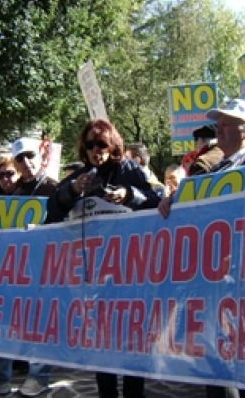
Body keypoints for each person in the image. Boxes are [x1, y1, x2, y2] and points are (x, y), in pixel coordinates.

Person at [157, 99, 245, 398]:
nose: (218, 130)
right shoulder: (210, 175)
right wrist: (173, 204)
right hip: (214, 292)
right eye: (218, 124)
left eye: (226, 124)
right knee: (217, 375)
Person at [47, 119, 160, 398]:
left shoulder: (128, 169)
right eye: (89, 145)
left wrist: (129, 194)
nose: (95, 150)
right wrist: (72, 191)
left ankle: (135, 393)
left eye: (102, 144)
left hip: (129, 270)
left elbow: (156, 199)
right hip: (95, 274)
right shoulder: (81, 176)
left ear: (113, 146)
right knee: (101, 341)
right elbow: (52, 211)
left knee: (133, 339)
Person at [0, 138, 59, 397]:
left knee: (39, 325)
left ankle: (39, 377)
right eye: (20, 159)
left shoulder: (54, 188)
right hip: (12, 271)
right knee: (3, 322)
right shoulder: (13, 196)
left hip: (43, 270)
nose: (26, 162)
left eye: (30, 156)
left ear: (41, 156)